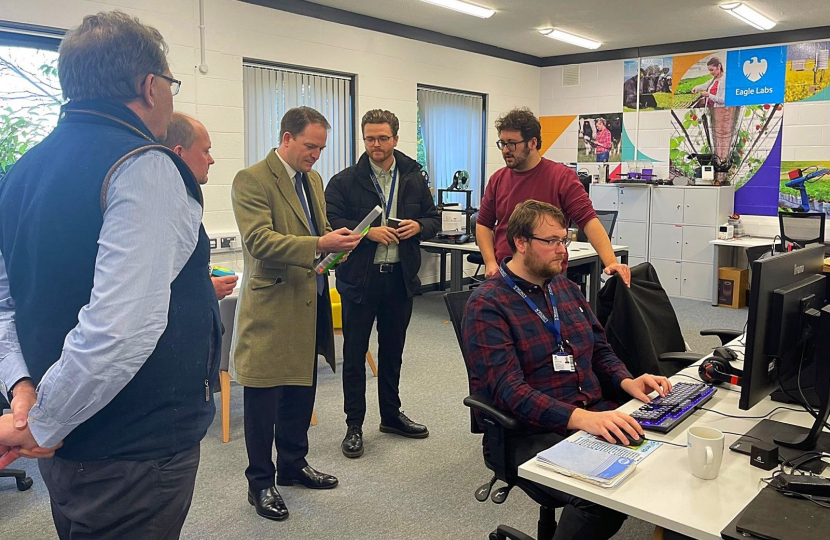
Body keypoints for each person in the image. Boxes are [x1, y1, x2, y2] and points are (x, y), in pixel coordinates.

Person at [0, 11, 221, 539]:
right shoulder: (145, 166)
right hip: (132, 451)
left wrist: (23, 390)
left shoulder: (23, 169)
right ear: (150, 86)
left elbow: (9, 300)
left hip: (67, 440)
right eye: (171, 82)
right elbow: (120, 328)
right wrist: (44, 421)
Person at [463, 199, 672, 540]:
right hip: (530, 433)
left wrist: (627, 380)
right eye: (552, 242)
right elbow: (509, 390)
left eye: (565, 239)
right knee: (603, 498)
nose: (563, 250)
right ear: (520, 242)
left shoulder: (566, 288)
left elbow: (600, 349)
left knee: (665, 452)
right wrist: (582, 419)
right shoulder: (488, 304)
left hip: (590, 416)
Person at [231, 106, 362, 522]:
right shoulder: (251, 179)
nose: (316, 155)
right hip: (271, 305)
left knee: (301, 391)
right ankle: (260, 482)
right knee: (264, 398)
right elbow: (259, 241)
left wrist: (336, 246)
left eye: (321, 148)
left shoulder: (314, 180)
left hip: (310, 297)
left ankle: (292, 464)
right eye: (310, 146)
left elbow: (318, 234)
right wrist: (320, 244)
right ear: (286, 138)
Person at [326, 109, 441, 459]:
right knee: (354, 355)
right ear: (363, 139)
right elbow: (331, 221)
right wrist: (366, 232)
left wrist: (419, 226)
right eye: (370, 138)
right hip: (360, 281)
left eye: (383, 138)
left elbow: (433, 217)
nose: (376, 145)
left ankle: (391, 416)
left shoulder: (413, 176)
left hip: (399, 280)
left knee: (393, 354)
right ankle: (354, 425)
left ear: (395, 138)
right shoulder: (344, 181)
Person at [476, 107, 630, 286]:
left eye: (512, 143)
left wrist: (611, 262)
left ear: (532, 143)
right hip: (506, 275)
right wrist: (490, 262)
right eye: (502, 143)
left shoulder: (561, 177)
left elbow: (588, 221)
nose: (505, 150)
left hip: (547, 277)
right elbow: (483, 224)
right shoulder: (497, 179)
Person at [160, 112, 238, 300]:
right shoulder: (163, 209)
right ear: (179, 153)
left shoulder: (185, 201)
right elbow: (156, 288)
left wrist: (203, 280)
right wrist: (205, 289)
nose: (211, 160)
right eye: (205, 151)